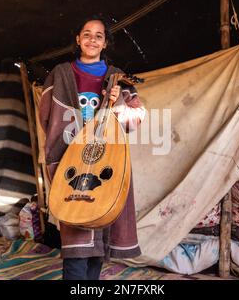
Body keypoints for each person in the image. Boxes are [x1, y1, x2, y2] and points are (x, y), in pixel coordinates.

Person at [38, 15, 145, 280]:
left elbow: (135, 120)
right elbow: (45, 117)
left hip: (105, 161)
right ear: (78, 39)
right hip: (71, 162)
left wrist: (117, 103)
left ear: (105, 43)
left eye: (99, 35)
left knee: (98, 240)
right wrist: (70, 143)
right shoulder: (61, 74)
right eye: (86, 34)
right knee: (75, 241)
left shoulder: (117, 79)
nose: (92, 39)